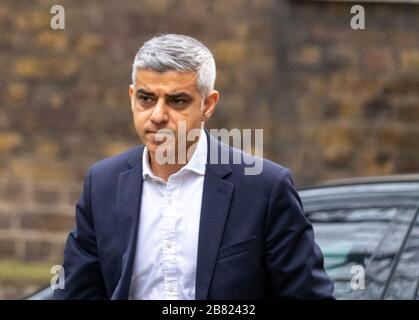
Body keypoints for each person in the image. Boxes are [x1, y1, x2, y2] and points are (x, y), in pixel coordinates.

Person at [54, 33, 334, 300]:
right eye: (146, 98)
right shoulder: (102, 183)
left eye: (177, 101)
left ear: (208, 105)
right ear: (131, 97)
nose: (158, 115)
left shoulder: (264, 186)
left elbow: (307, 294)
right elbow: (76, 292)